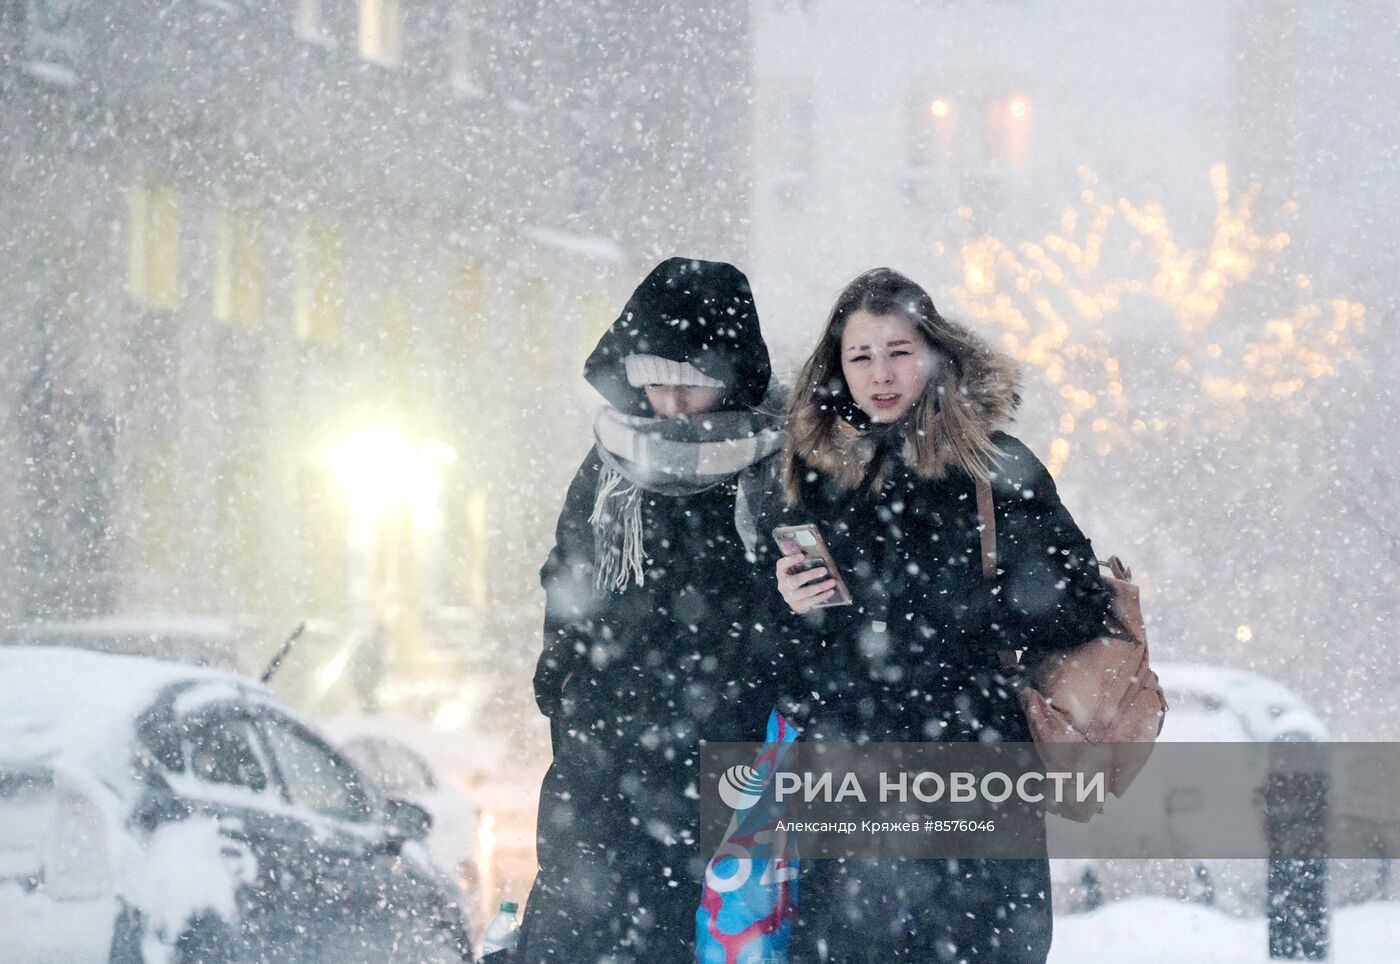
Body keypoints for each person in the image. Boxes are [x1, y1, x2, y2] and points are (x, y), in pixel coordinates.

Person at [764, 268, 1113, 962]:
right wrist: (790, 606)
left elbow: (1079, 606)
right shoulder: (811, 479)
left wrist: (985, 601)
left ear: (934, 354)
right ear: (837, 369)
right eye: (860, 356)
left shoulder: (997, 469)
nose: (880, 374)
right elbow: (777, 659)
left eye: (898, 351)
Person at [517, 257, 787, 963]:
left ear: (729, 383)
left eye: (690, 385)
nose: (669, 402)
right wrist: (564, 690)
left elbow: (786, 610)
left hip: (726, 762)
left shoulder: (773, 470)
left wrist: (743, 705)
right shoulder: (610, 463)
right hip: (605, 752)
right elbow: (568, 579)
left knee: (706, 932)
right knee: (577, 928)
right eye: (654, 380)